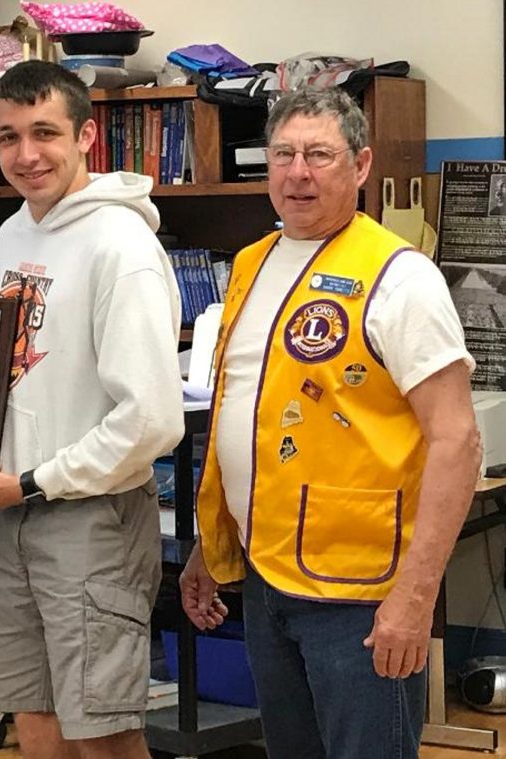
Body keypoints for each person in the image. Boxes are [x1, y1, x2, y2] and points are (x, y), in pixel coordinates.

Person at [179, 86, 481, 759]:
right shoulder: (252, 264)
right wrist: (212, 541)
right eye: (282, 154)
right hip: (266, 578)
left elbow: (457, 441)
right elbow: (246, 410)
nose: (297, 172)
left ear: (361, 164)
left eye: (318, 154)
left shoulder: (398, 277)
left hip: (361, 594)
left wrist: (414, 596)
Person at [0, 60, 184, 759]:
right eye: (7, 136)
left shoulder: (119, 245)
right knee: (32, 720)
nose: (26, 153)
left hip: (87, 516)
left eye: (44, 132)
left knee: (101, 729)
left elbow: (151, 419)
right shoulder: (13, 234)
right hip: (10, 510)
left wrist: (35, 480)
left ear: (86, 137)